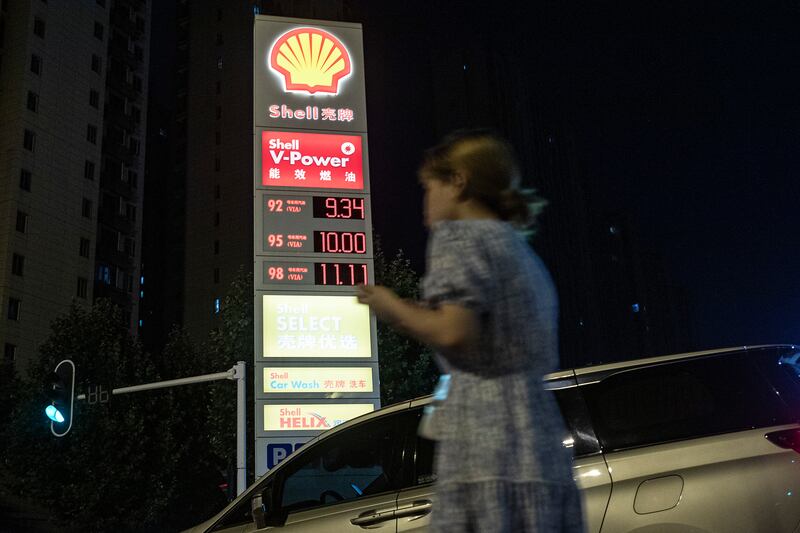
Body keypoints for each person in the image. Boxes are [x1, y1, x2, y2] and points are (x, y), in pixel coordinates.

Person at [357, 130, 585, 532]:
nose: (424, 200)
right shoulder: (521, 253)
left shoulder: (458, 237)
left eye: (428, 186)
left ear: (458, 181)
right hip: (539, 436)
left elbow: (453, 331)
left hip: (485, 437)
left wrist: (390, 305)